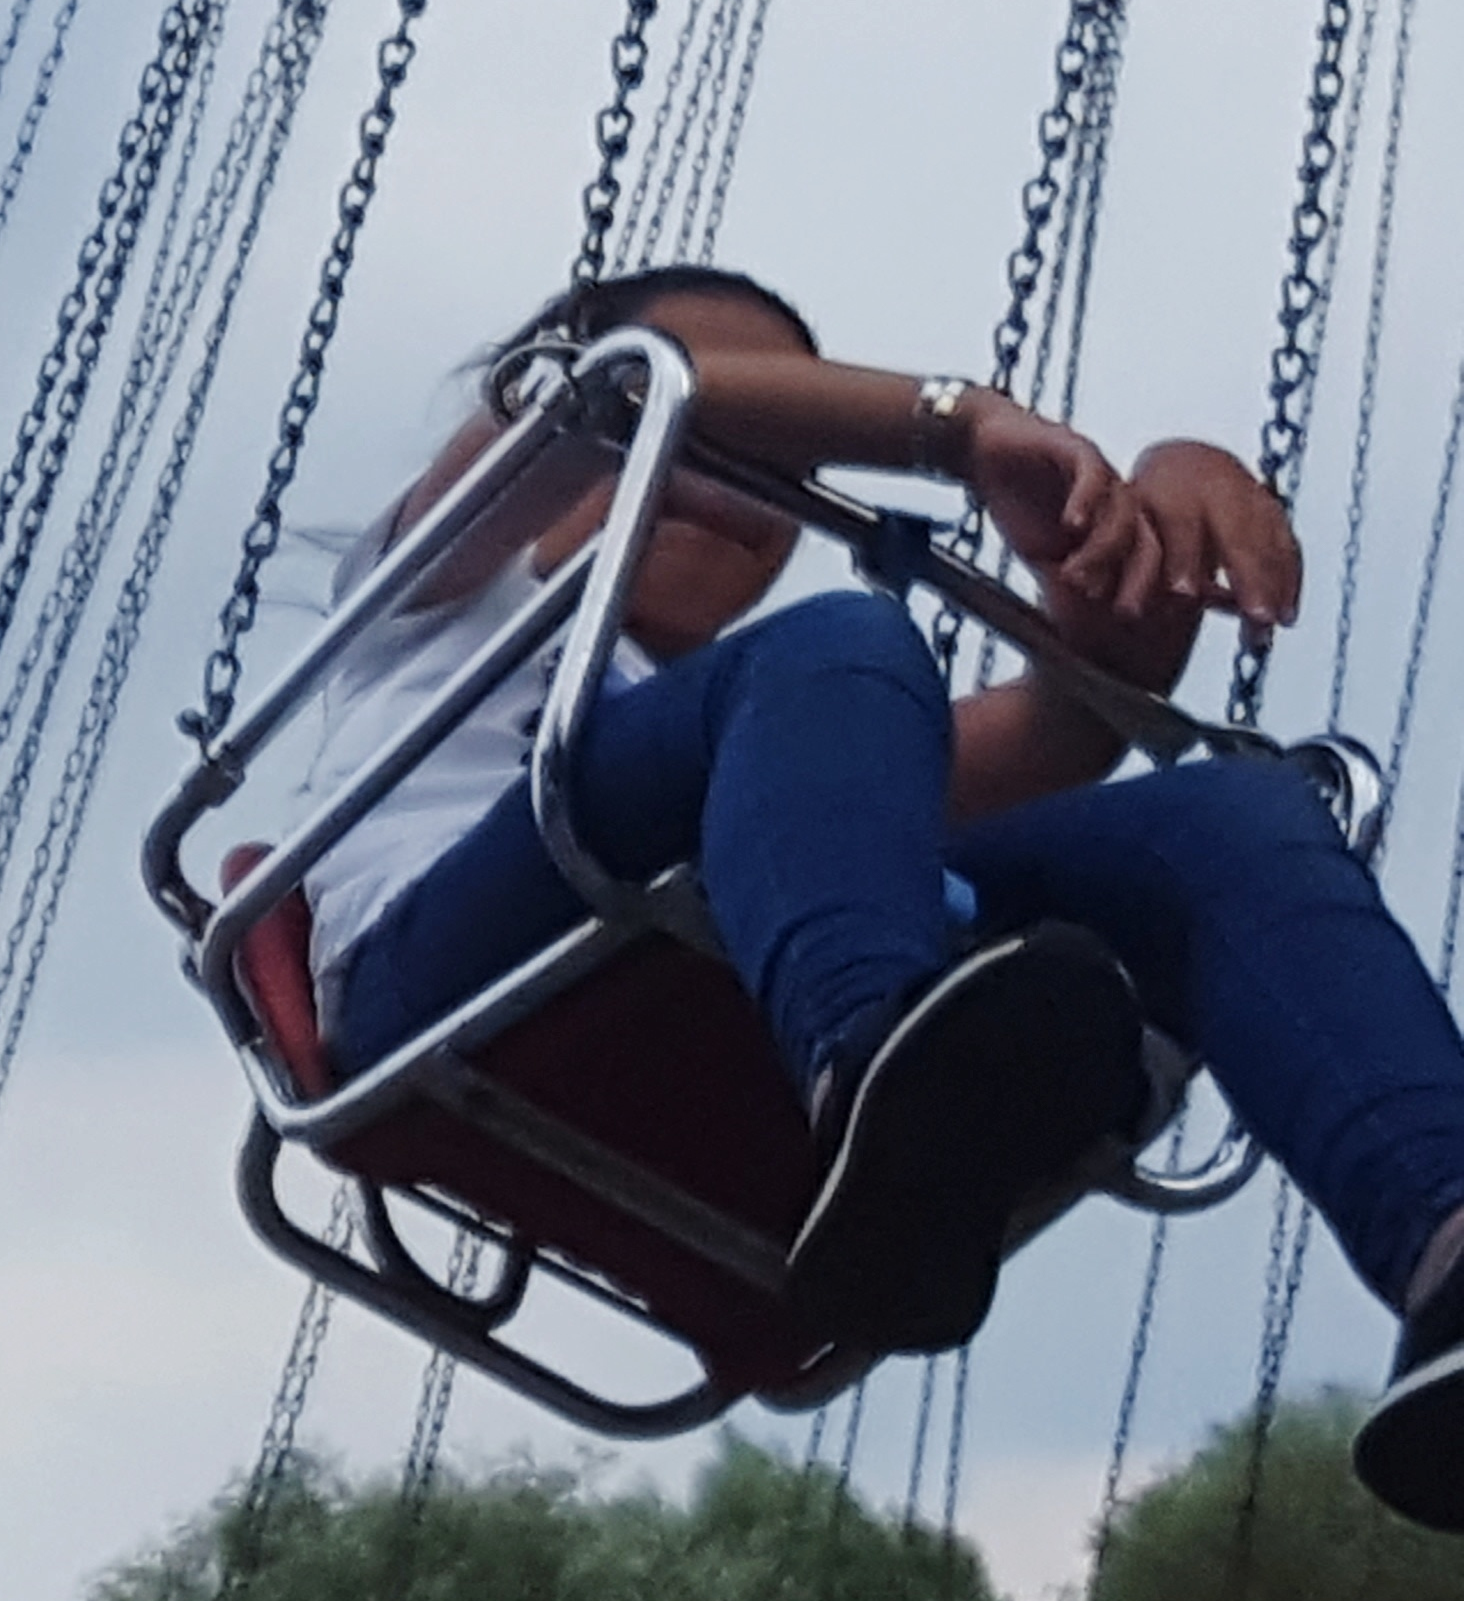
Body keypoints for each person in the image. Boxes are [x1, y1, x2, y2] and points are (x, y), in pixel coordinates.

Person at [271, 262, 1464, 1528]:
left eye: (763, 442)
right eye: (722, 417)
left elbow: (1064, 729)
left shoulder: (808, 746)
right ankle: (881, 1082)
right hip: (448, 965)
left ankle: (1439, 1242)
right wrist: (952, 426)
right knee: (842, 642)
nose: (722, 465)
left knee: (1227, 814)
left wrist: (1157, 505)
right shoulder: (436, 592)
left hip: (735, 950)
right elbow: (604, 407)